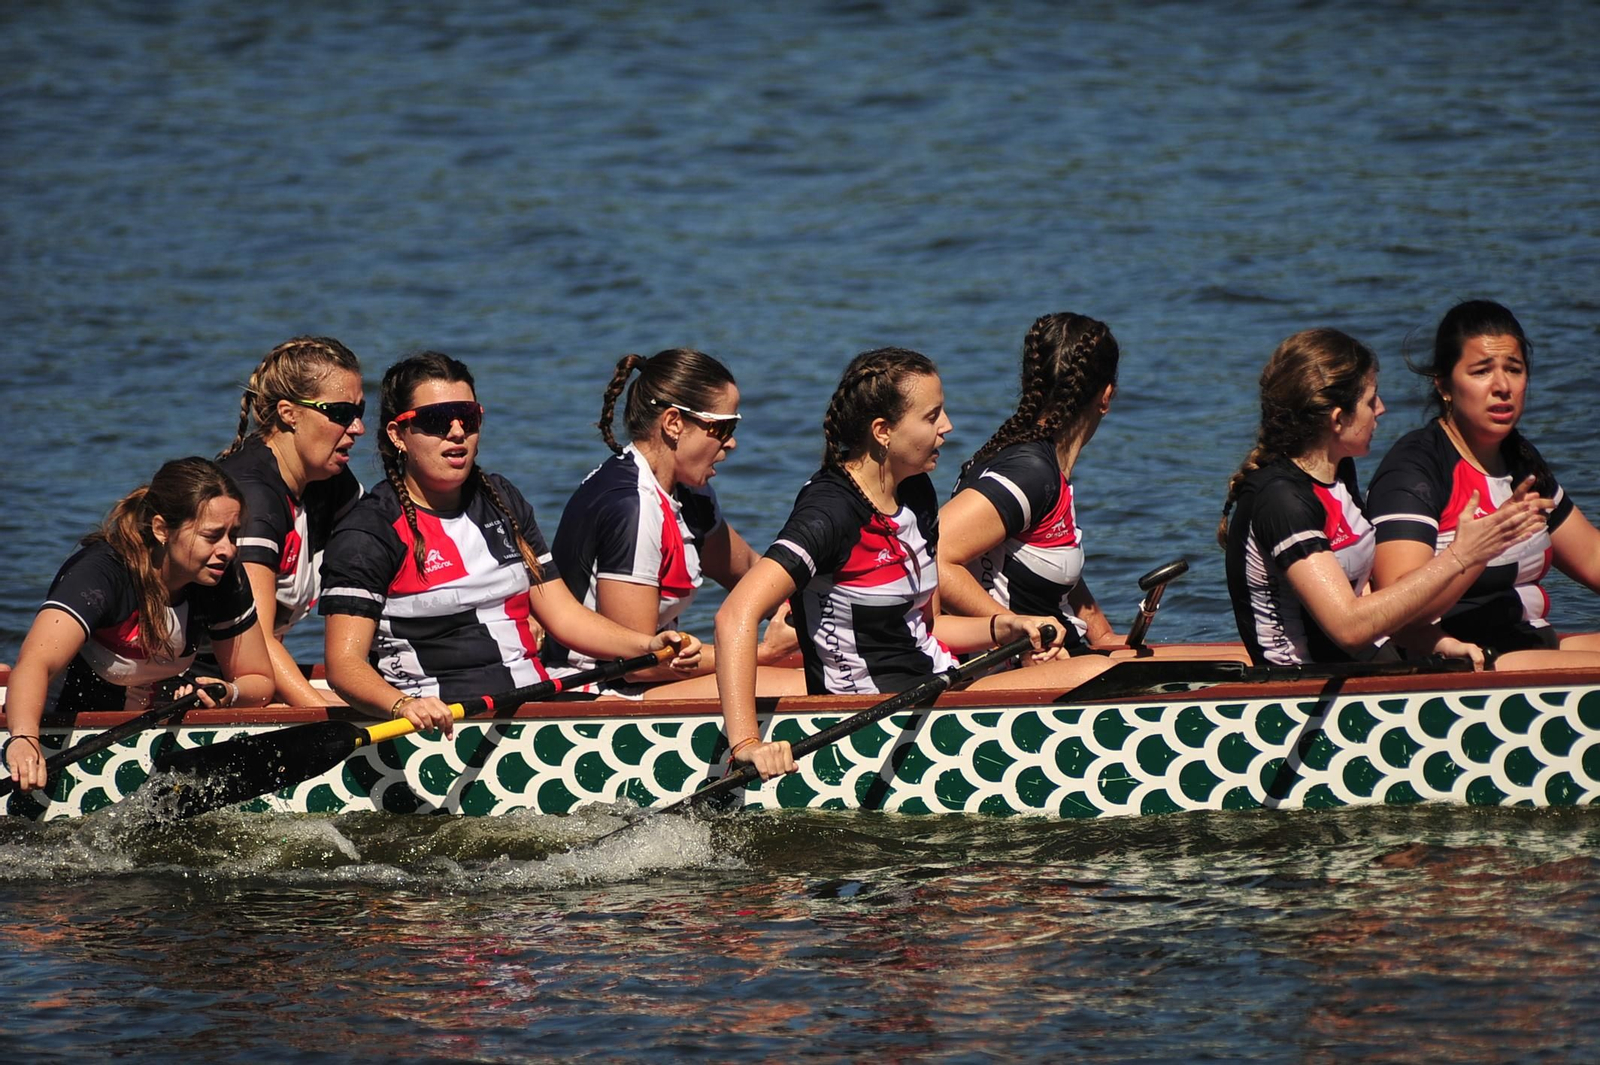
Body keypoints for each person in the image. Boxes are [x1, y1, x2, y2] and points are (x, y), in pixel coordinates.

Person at [715, 347, 1073, 781]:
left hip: (933, 685)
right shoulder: (829, 514)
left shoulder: (916, 491)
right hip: (868, 718)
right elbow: (736, 613)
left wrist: (1008, 627)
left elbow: (930, 627)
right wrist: (747, 743)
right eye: (931, 416)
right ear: (883, 431)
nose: (947, 428)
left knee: (1092, 668)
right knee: (1094, 672)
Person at [317, 352, 702, 736]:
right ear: (398, 435)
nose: (456, 433)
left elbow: (564, 617)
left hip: (533, 705)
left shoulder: (500, 499)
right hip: (439, 724)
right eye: (436, 421)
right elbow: (343, 665)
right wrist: (404, 706)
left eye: (467, 418)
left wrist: (646, 643)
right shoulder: (368, 532)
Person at [1219, 328, 1548, 667]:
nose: (1381, 409)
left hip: (1356, 671)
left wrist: (1437, 642)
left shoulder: (1337, 474)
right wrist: (1459, 557)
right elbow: (1349, 627)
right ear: (1338, 418)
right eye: (1370, 400)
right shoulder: (1281, 499)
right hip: (1295, 692)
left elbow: (1374, 602)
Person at [3, 458, 274, 791]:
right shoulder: (102, 573)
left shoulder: (221, 578)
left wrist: (228, 692)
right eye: (212, 536)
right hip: (60, 731)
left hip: (150, 740)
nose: (228, 550)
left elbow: (259, 680)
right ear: (162, 530)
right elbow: (33, 664)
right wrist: (25, 739)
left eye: (233, 535)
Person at [542, 349, 800, 697]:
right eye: (722, 427)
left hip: (652, 677)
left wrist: (818, 620)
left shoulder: (690, 493)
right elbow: (638, 667)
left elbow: (752, 574)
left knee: (824, 664)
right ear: (674, 423)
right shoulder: (634, 508)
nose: (732, 443)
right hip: (600, 691)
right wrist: (764, 654)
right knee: (809, 684)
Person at [1367, 300, 1600, 667]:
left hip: (1532, 644)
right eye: (1481, 371)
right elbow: (1398, 610)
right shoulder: (1415, 469)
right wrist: (1476, 552)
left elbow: (1591, 556)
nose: (1502, 386)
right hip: (1464, 662)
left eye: (1514, 369)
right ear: (1444, 384)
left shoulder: (1521, 461)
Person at [216, 336, 366, 705]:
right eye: (342, 413)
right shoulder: (253, 498)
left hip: (255, 676)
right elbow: (259, 639)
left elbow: (390, 570)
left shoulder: (330, 482)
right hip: (183, 685)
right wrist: (323, 714)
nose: (358, 428)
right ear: (289, 413)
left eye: (361, 411)